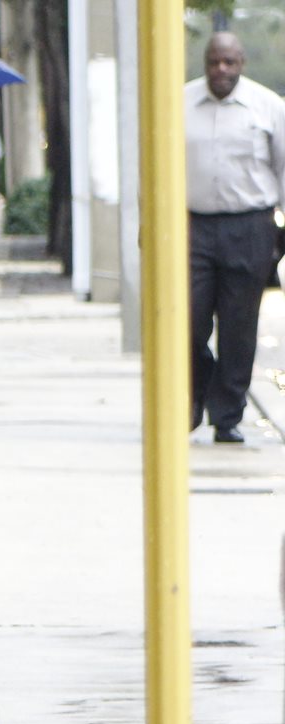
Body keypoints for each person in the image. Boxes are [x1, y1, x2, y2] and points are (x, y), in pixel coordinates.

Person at [185, 31, 285, 443]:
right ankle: (195, 394)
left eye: (229, 62)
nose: (221, 70)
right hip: (193, 227)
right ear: (205, 63)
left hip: (250, 226)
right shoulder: (179, 102)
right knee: (185, 322)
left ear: (241, 63)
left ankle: (227, 415)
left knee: (239, 326)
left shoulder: (268, 106)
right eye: (214, 62)